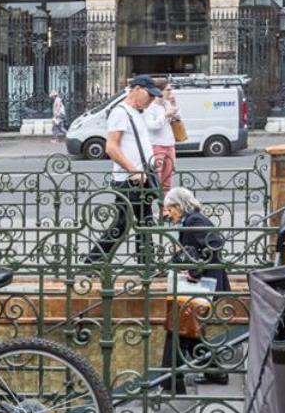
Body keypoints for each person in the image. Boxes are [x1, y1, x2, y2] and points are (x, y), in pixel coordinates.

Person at [160, 185, 230, 393]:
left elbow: (215, 243)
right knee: (187, 331)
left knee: (180, 329)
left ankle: (172, 382)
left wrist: (196, 270)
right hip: (201, 285)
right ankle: (213, 373)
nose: (168, 213)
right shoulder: (190, 221)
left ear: (179, 206)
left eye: (170, 208)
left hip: (205, 284)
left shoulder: (194, 221)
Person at [90, 75, 161, 262]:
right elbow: (111, 147)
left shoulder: (136, 112)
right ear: (137, 89)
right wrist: (133, 170)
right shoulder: (120, 112)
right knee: (122, 223)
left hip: (141, 177)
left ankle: (147, 263)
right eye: (150, 95)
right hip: (130, 179)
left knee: (145, 222)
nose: (152, 99)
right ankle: (93, 261)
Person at [147, 79, 179, 193]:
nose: (171, 92)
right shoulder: (150, 107)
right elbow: (152, 126)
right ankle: (159, 205)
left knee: (168, 177)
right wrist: (165, 115)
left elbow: (178, 118)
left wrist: (174, 105)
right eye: (168, 90)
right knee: (158, 177)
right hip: (157, 145)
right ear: (159, 91)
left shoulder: (167, 103)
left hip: (169, 144)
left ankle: (165, 209)